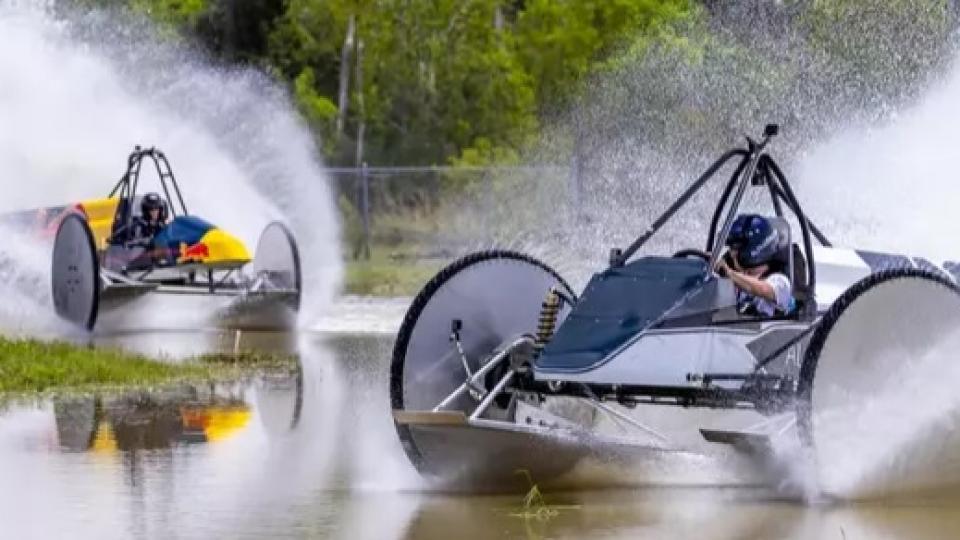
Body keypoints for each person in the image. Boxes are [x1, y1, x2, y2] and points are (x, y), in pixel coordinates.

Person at [715, 214, 795, 317]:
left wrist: (729, 273)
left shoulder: (780, 281)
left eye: (734, 248)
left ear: (754, 250)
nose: (731, 253)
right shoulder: (736, 275)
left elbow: (763, 289)